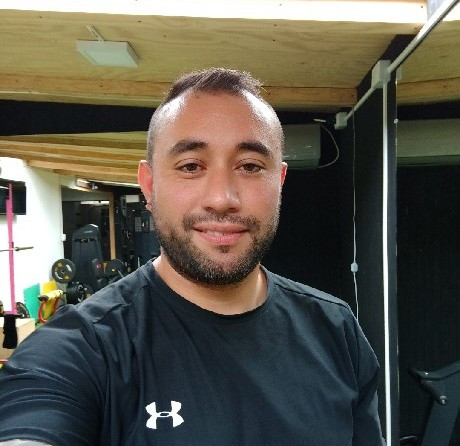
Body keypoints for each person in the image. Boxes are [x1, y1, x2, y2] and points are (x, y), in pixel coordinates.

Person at [0, 68, 385, 446]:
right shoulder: (84, 349)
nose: (221, 198)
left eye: (250, 166)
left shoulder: (336, 331)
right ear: (149, 185)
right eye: (190, 166)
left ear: (279, 182)